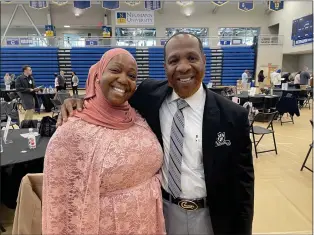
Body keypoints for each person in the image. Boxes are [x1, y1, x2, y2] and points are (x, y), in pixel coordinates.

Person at [58, 33, 254, 235]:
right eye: (174, 60)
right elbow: (115, 94)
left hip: (212, 217)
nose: (184, 67)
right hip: (162, 212)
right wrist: (80, 101)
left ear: (204, 60)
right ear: (165, 67)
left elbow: (244, 184)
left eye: (192, 58)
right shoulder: (148, 95)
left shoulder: (233, 115)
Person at [42, 48, 165, 235]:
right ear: (98, 75)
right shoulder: (71, 133)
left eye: (131, 76)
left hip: (149, 223)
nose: (124, 79)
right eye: (115, 70)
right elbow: (61, 211)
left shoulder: (138, 116)